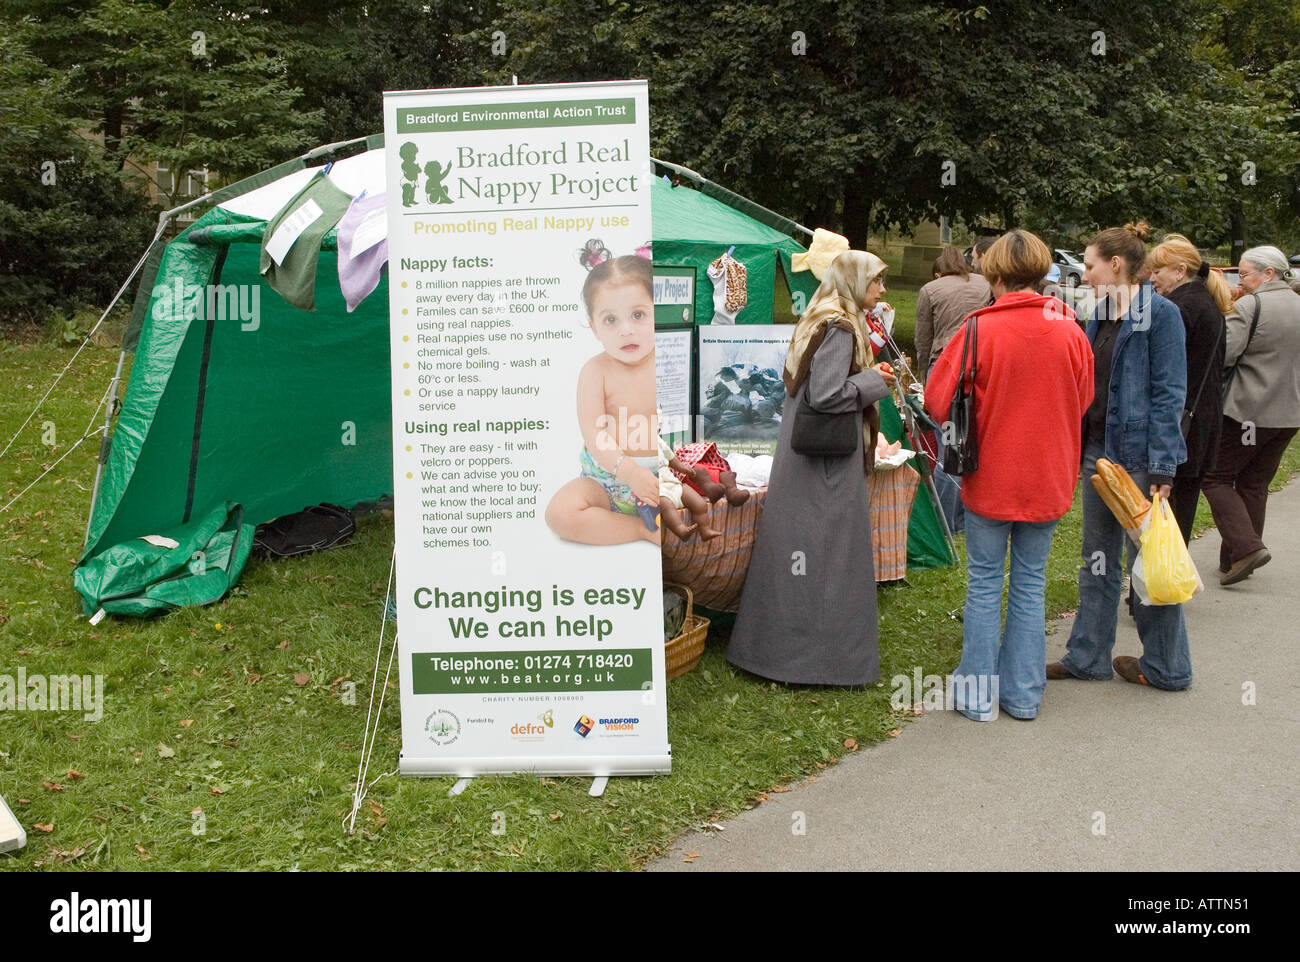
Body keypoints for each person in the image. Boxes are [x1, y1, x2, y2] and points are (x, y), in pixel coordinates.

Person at [925, 230, 1093, 720]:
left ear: (993, 275)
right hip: (1049, 475)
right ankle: (1022, 695)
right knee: (1030, 582)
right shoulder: (1071, 329)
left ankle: (976, 696)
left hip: (990, 474)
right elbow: (1083, 400)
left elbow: (937, 403)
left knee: (983, 582)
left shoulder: (978, 329)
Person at [727, 251, 896, 685]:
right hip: (825, 463)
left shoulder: (823, 314)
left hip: (807, 458)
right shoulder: (840, 325)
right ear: (854, 281)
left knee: (801, 552)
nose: (881, 290)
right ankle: (819, 662)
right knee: (827, 555)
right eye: (876, 281)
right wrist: (876, 382)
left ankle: (775, 652)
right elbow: (825, 395)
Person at [1049, 222, 1193, 691]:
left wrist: (1162, 466)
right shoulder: (1101, 313)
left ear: (1116, 265)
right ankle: (1087, 657)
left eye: (1088, 266)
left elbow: (1170, 393)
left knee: (1148, 565)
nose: (1083, 275)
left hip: (1138, 461)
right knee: (1097, 561)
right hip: (1099, 457)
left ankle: (1168, 668)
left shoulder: (1163, 313)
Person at [545, 244, 659, 545]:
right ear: (595, 328)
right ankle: (639, 529)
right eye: (611, 320)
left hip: (662, 478)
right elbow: (596, 435)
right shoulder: (595, 371)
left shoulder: (670, 360)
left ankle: (659, 518)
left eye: (638, 315)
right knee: (560, 513)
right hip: (608, 479)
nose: (626, 330)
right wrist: (630, 472)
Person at [1201, 245, 1300, 584]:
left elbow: (1224, 356)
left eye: (1244, 274)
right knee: (1254, 483)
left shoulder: (1250, 306)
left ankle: (1245, 550)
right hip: (1289, 414)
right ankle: (1236, 560)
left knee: (1214, 476)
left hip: (1248, 411)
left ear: (1268, 273)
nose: (1239, 281)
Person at [1146, 234, 1233, 543]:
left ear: (1180, 271)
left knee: (1163, 527)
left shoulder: (1179, 309)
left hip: (1180, 427)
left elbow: (1164, 372)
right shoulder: (1207, 304)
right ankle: (1169, 586)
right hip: (1201, 421)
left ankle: (1158, 589)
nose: (1152, 277)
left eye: (1158, 270)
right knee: (1178, 520)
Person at [916, 246, 992, 535]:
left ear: (938, 269)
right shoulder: (985, 284)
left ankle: (944, 523)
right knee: (968, 444)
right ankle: (961, 520)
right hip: (980, 365)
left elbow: (923, 340)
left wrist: (925, 380)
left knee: (948, 447)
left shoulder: (930, 289)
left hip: (946, 367)